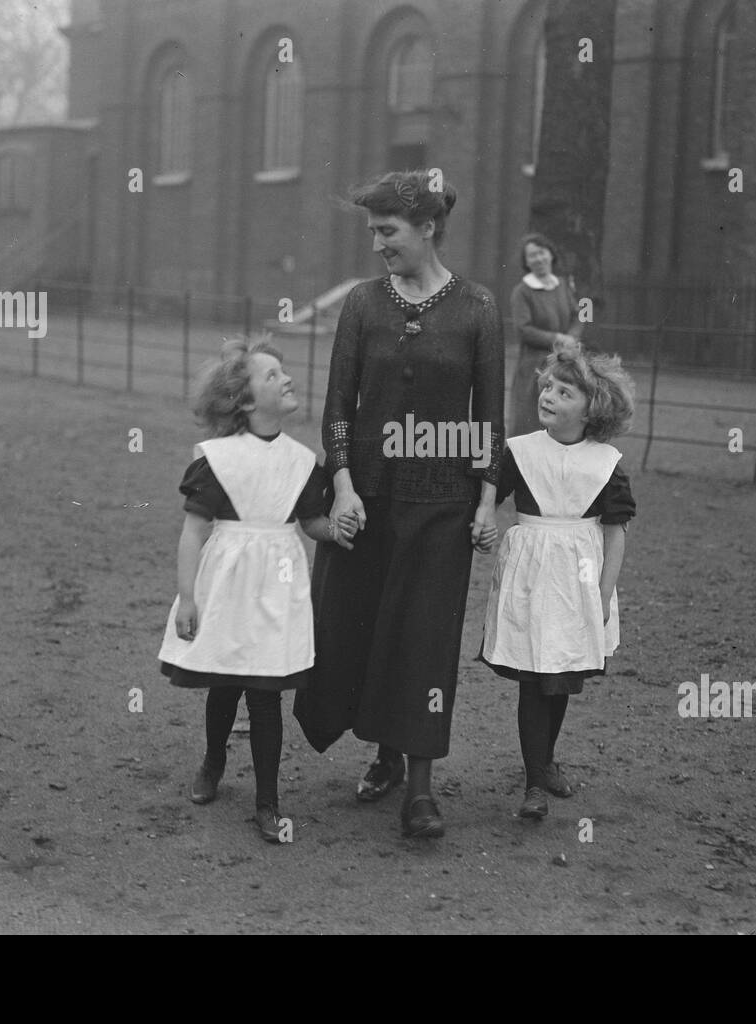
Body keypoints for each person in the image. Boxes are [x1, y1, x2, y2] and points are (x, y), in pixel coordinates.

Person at [294, 170, 503, 839]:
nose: (378, 244)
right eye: (373, 232)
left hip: (444, 503)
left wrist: (487, 500)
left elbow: (490, 419)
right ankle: (382, 752)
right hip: (371, 498)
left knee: (424, 640)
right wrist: (346, 483)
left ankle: (419, 789)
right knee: (364, 628)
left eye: (387, 232)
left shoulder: (477, 308)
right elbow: (337, 408)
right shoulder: (362, 305)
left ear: (427, 228)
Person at [157, 336, 355, 844]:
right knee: (225, 682)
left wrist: (338, 530)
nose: (286, 378)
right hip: (227, 585)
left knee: (266, 693)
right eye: (271, 376)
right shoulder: (218, 460)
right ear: (245, 402)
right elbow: (193, 533)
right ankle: (213, 760)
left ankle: (268, 801)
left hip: (278, 589)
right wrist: (187, 596)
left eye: (282, 373)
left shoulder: (300, 459)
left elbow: (310, 521)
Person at [478, 345, 636, 820]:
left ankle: (545, 761)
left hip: (579, 581)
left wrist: (604, 595)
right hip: (530, 577)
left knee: (560, 678)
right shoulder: (521, 452)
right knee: (533, 678)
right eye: (548, 386)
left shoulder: (605, 463)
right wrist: (483, 517)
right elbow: (488, 495)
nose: (549, 395)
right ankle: (532, 783)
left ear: (592, 409)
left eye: (564, 392)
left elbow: (616, 534)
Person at [508, 233, 584, 435]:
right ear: (526, 262)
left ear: (551, 254)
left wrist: (572, 338)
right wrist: (557, 339)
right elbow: (523, 330)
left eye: (541, 253)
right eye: (531, 256)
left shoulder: (564, 285)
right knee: (530, 424)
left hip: (563, 363)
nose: (538, 259)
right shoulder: (522, 292)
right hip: (535, 367)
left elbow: (580, 315)